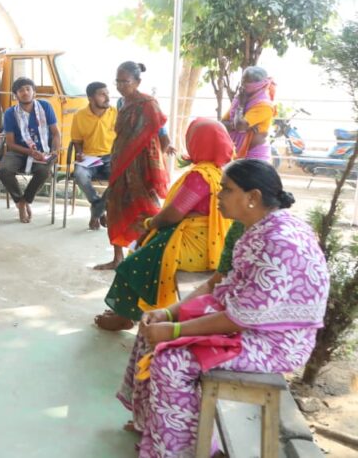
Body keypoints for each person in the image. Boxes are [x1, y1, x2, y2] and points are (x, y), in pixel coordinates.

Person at [117, 160, 328, 457]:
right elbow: (219, 284)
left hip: (276, 341)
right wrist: (167, 314)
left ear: (252, 197)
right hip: (247, 322)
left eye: (226, 190)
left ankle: (182, 450)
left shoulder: (279, 241)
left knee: (171, 360)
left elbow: (239, 318)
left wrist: (175, 329)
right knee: (149, 331)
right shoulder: (259, 228)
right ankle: (153, 426)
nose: (219, 197)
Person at [94, 119, 234, 331]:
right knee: (142, 253)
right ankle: (125, 311)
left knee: (132, 264)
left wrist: (150, 224)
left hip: (193, 248)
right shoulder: (217, 172)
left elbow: (173, 214)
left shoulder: (200, 176)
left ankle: (124, 316)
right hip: (209, 246)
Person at [95, 61, 169, 270]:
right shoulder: (121, 103)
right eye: (117, 81)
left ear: (137, 81)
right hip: (120, 162)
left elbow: (160, 137)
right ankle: (117, 258)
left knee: (145, 208)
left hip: (141, 165)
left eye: (125, 82)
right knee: (115, 206)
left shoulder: (148, 103)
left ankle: (151, 256)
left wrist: (156, 168)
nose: (120, 86)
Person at [0, 77, 60, 223]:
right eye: (21, 90)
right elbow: (11, 143)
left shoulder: (45, 106)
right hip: (19, 151)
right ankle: (19, 202)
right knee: (4, 171)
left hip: (43, 151)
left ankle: (25, 201)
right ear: (15, 95)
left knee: (44, 172)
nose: (25, 93)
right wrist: (30, 152)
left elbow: (56, 133)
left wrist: (54, 152)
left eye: (28, 89)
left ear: (34, 92)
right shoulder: (10, 113)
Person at [69, 81, 117, 229]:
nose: (107, 97)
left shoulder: (115, 113)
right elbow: (76, 141)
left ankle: (96, 211)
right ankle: (98, 206)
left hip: (110, 157)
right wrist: (79, 153)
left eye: (107, 93)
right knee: (79, 175)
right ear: (90, 98)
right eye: (102, 94)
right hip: (89, 158)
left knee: (121, 178)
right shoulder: (80, 116)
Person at [223, 66, 276, 161]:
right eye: (242, 81)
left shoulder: (264, 105)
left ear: (259, 85)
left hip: (256, 157)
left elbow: (240, 126)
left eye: (247, 84)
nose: (242, 86)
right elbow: (222, 124)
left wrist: (241, 106)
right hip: (233, 153)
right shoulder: (239, 99)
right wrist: (240, 126)